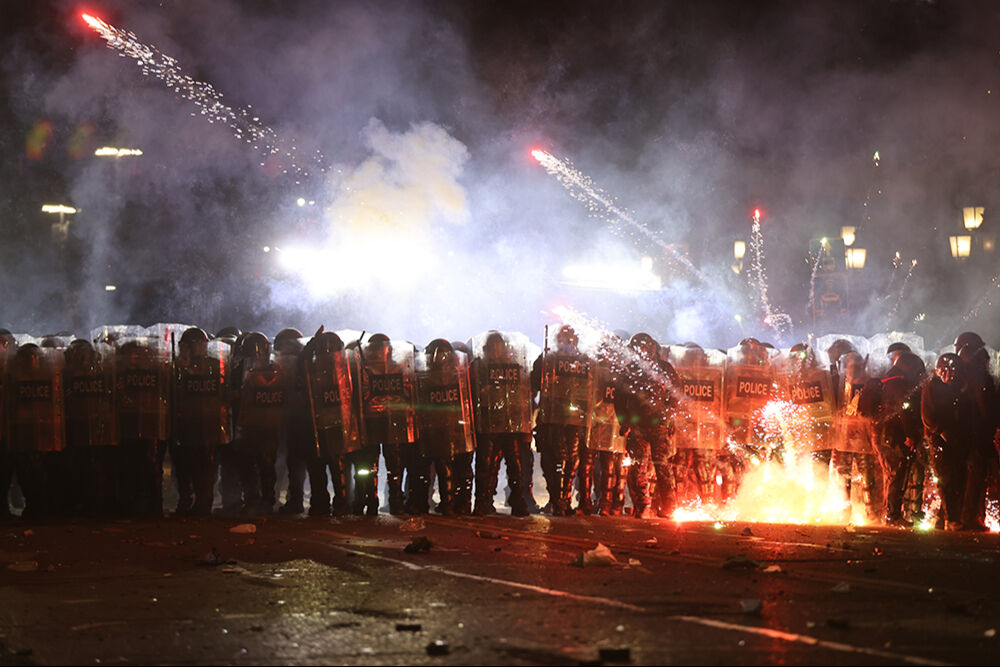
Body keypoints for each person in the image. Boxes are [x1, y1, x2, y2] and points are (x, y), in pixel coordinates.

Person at [530, 325, 596, 516]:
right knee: (553, 460)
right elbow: (534, 383)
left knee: (569, 460)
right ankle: (557, 498)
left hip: (574, 420)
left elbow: (592, 388)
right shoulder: (548, 359)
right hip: (552, 418)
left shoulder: (584, 361)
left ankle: (563, 500)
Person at [617, 333, 681, 518]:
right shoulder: (629, 370)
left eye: (646, 348)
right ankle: (642, 506)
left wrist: (667, 417)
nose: (643, 352)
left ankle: (669, 508)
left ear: (653, 348)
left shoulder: (665, 369)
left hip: (658, 425)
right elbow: (619, 400)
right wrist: (624, 421)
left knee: (662, 467)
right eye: (640, 348)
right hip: (637, 425)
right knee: (638, 468)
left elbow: (676, 395)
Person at [469, 331, 532, 517]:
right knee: (485, 466)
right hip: (487, 421)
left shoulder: (515, 365)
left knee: (515, 465)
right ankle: (483, 502)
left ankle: (517, 500)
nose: (495, 351)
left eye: (498, 346)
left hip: (509, 421)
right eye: (492, 347)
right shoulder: (478, 366)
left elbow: (524, 390)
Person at [301, 329, 363, 516]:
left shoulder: (346, 368)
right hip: (321, 426)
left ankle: (335, 504)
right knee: (329, 470)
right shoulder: (311, 368)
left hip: (333, 426)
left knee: (332, 470)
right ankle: (330, 504)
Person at [412, 339, 476, 515]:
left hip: (448, 429)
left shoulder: (431, 376)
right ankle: (456, 505)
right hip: (449, 429)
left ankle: (450, 504)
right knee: (451, 470)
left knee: (448, 470)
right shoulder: (457, 374)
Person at [861, 351, 925, 526]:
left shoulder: (887, 382)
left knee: (891, 475)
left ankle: (891, 514)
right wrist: (911, 435)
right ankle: (892, 516)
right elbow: (904, 412)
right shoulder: (900, 386)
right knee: (895, 475)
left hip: (881, 435)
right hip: (891, 437)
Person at [172, 327, 230, 517]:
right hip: (185, 422)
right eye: (194, 344)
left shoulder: (215, 364)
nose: (199, 347)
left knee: (205, 467)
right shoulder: (177, 366)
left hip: (209, 422)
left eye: (201, 343)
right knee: (183, 466)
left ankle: (204, 503)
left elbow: (224, 391)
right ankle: (186, 500)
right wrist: (182, 364)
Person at [358, 334, 416, 515]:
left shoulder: (398, 367)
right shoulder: (364, 368)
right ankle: (372, 500)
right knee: (370, 466)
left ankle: (394, 502)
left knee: (394, 465)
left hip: (392, 421)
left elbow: (409, 392)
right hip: (373, 421)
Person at [114, 335, 170, 518]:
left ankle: (153, 507)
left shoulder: (158, 373)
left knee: (150, 467)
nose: (134, 359)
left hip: (151, 423)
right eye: (130, 355)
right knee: (129, 466)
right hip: (127, 424)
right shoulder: (119, 375)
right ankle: (133, 506)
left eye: (137, 355)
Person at [63, 339, 116, 516]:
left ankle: (96, 504)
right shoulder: (68, 374)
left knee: (95, 467)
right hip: (78, 426)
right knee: (79, 467)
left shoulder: (102, 372)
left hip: (95, 427)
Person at [922, 353, 973, 530]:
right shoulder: (932, 387)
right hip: (938, 439)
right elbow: (927, 416)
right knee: (945, 478)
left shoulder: (956, 388)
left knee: (955, 478)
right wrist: (940, 431)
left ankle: (942, 517)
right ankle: (950, 519)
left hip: (954, 439)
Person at [234, 332, 285, 515]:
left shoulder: (276, 371)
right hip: (248, 426)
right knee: (249, 466)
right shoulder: (239, 370)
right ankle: (252, 500)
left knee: (266, 465)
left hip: (267, 427)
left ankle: (267, 500)